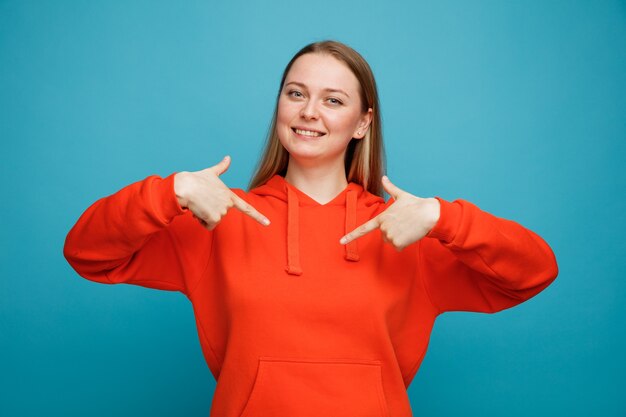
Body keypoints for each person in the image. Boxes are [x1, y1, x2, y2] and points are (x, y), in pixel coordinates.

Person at [64, 40, 558, 417]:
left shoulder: (404, 232)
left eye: (333, 100)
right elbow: (87, 252)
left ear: (362, 123)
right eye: (296, 93)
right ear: (279, 104)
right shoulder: (220, 218)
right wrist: (169, 192)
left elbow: (534, 271)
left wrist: (443, 218)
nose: (308, 112)